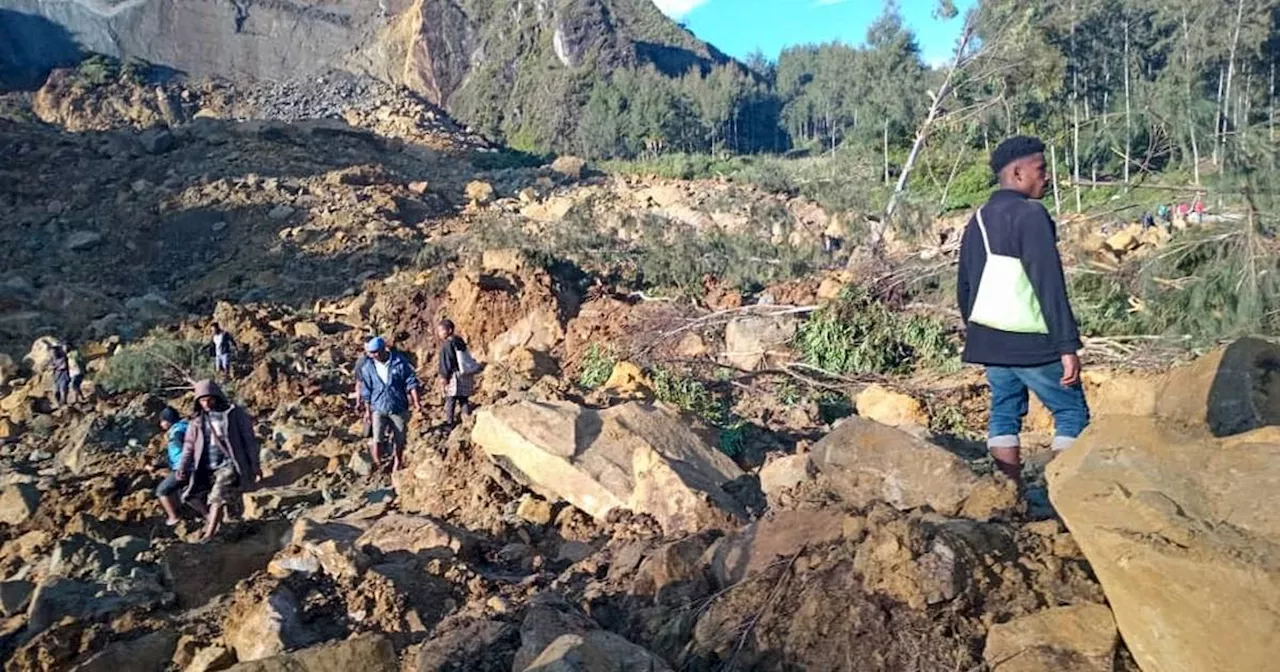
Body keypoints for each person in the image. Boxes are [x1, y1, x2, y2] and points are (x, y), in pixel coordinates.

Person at [956, 135, 1090, 486]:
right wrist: (1067, 346)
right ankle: (1063, 495)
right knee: (1071, 411)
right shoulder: (1031, 215)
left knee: (1004, 412)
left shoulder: (978, 219)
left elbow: (965, 285)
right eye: (1041, 169)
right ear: (1017, 173)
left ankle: (1009, 493)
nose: (1047, 177)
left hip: (990, 338)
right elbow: (1048, 283)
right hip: (1033, 340)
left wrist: (979, 333)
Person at [176, 380, 260, 541]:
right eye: (202, 400)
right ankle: (219, 522)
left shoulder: (234, 414)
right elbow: (188, 446)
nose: (206, 403)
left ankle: (209, 533)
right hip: (206, 466)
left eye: (210, 399)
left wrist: (254, 465)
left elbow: (249, 440)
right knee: (189, 495)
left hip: (229, 463)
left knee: (218, 495)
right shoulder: (197, 421)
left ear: (217, 397)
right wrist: (183, 466)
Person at [357, 337, 422, 472]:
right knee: (377, 438)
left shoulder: (399, 362)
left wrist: (416, 402)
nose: (375, 355)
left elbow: (410, 382)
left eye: (377, 351)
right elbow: (366, 390)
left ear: (383, 349)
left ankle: (397, 462)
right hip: (378, 407)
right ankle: (378, 463)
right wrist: (367, 411)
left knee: (400, 438)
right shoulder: (368, 367)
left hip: (398, 406)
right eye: (372, 352)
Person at [156, 406, 204, 526]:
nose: (161, 425)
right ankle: (204, 516)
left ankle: (173, 518)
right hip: (194, 466)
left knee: (162, 491)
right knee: (188, 495)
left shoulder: (177, 432)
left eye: (162, 421)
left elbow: (184, 449)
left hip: (184, 468)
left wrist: (183, 466)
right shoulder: (186, 427)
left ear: (168, 421)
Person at [437, 320, 476, 427]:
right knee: (464, 399)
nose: (439, 333)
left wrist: (444, 377)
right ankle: (466, 420)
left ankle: (450, 423)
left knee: (450, 400)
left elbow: (447, 361)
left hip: (453, 375)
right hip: (464, 373)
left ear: (449, 330)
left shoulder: (447, 344)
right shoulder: (459, 340)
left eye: (441, 330)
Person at [48, 341, 71, 407]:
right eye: (52, 351)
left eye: (54, 350)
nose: (53, 352)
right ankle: (59, 403)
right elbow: (50, 367)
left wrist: (55, 367)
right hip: (56, 376)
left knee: (63, 390)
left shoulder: (63, 357)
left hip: (63, 375)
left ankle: (63, 403)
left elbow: (63, 366)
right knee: (56, 391)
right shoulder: (52, 359)